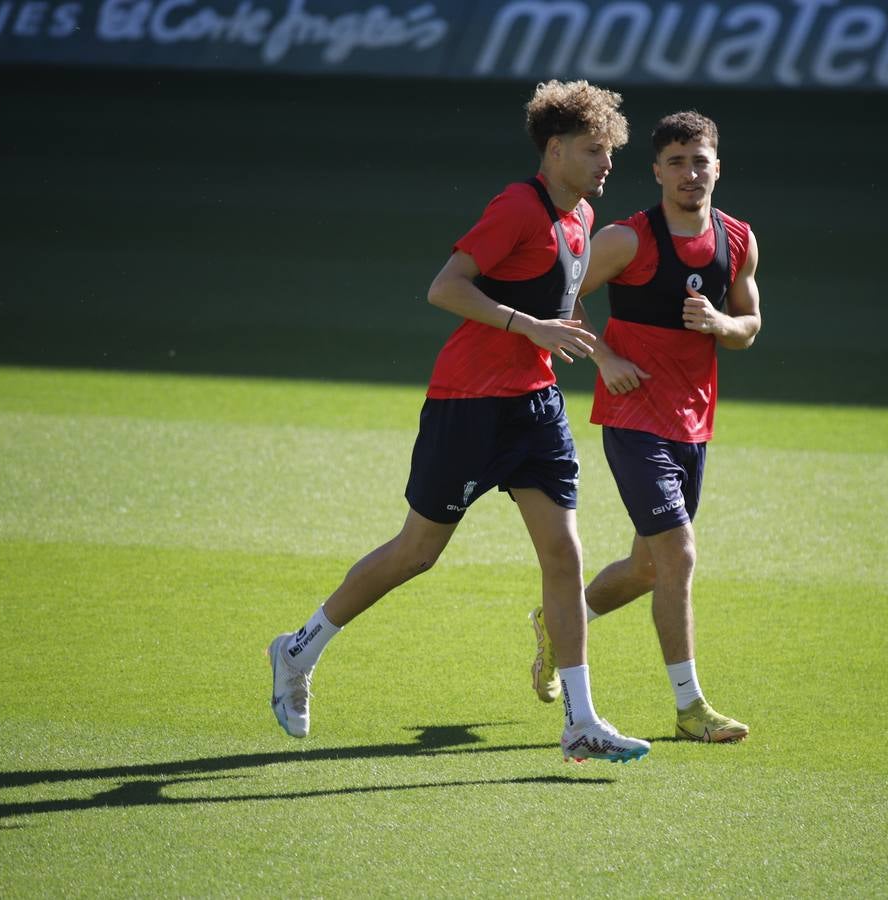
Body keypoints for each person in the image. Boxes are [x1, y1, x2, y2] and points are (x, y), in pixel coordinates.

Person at [269, 80, 650, 764]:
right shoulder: (518, 207)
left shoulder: (582, 219)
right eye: (593, 150)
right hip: (469, 402)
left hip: (536, 407)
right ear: (555, 149)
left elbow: (564, 306)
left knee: (564, 554)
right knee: (417, 552)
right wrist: (527, 325)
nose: (606, 163)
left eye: (610, 151)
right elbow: (445, 287)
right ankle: (299, 650)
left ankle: (581, 721)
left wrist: (600, 355)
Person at [528, 111, 761, 743]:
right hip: (633, 418)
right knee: (679, 554)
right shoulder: (626, 239)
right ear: (657, 171)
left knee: (648, 568)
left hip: (693, 423)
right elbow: (562, 295)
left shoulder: (738, 239)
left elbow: (749, 325)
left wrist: (720, 323)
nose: (690, 173)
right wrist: (604, 357)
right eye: (677, 162)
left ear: (718, 167)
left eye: (700, 161)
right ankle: (690, 708)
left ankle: (559, 621)